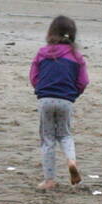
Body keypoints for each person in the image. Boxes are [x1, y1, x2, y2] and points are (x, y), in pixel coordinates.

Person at [30, 15, 89, 190]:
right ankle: (71, 161)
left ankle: (49, 180)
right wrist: (74, 93)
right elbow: (83, 81)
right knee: (65, 134)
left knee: (48, 138)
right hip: (66, 100)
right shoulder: (77, 57)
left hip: (45, 99)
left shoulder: (42, 52)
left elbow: (33, 76)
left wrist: (40, 89)